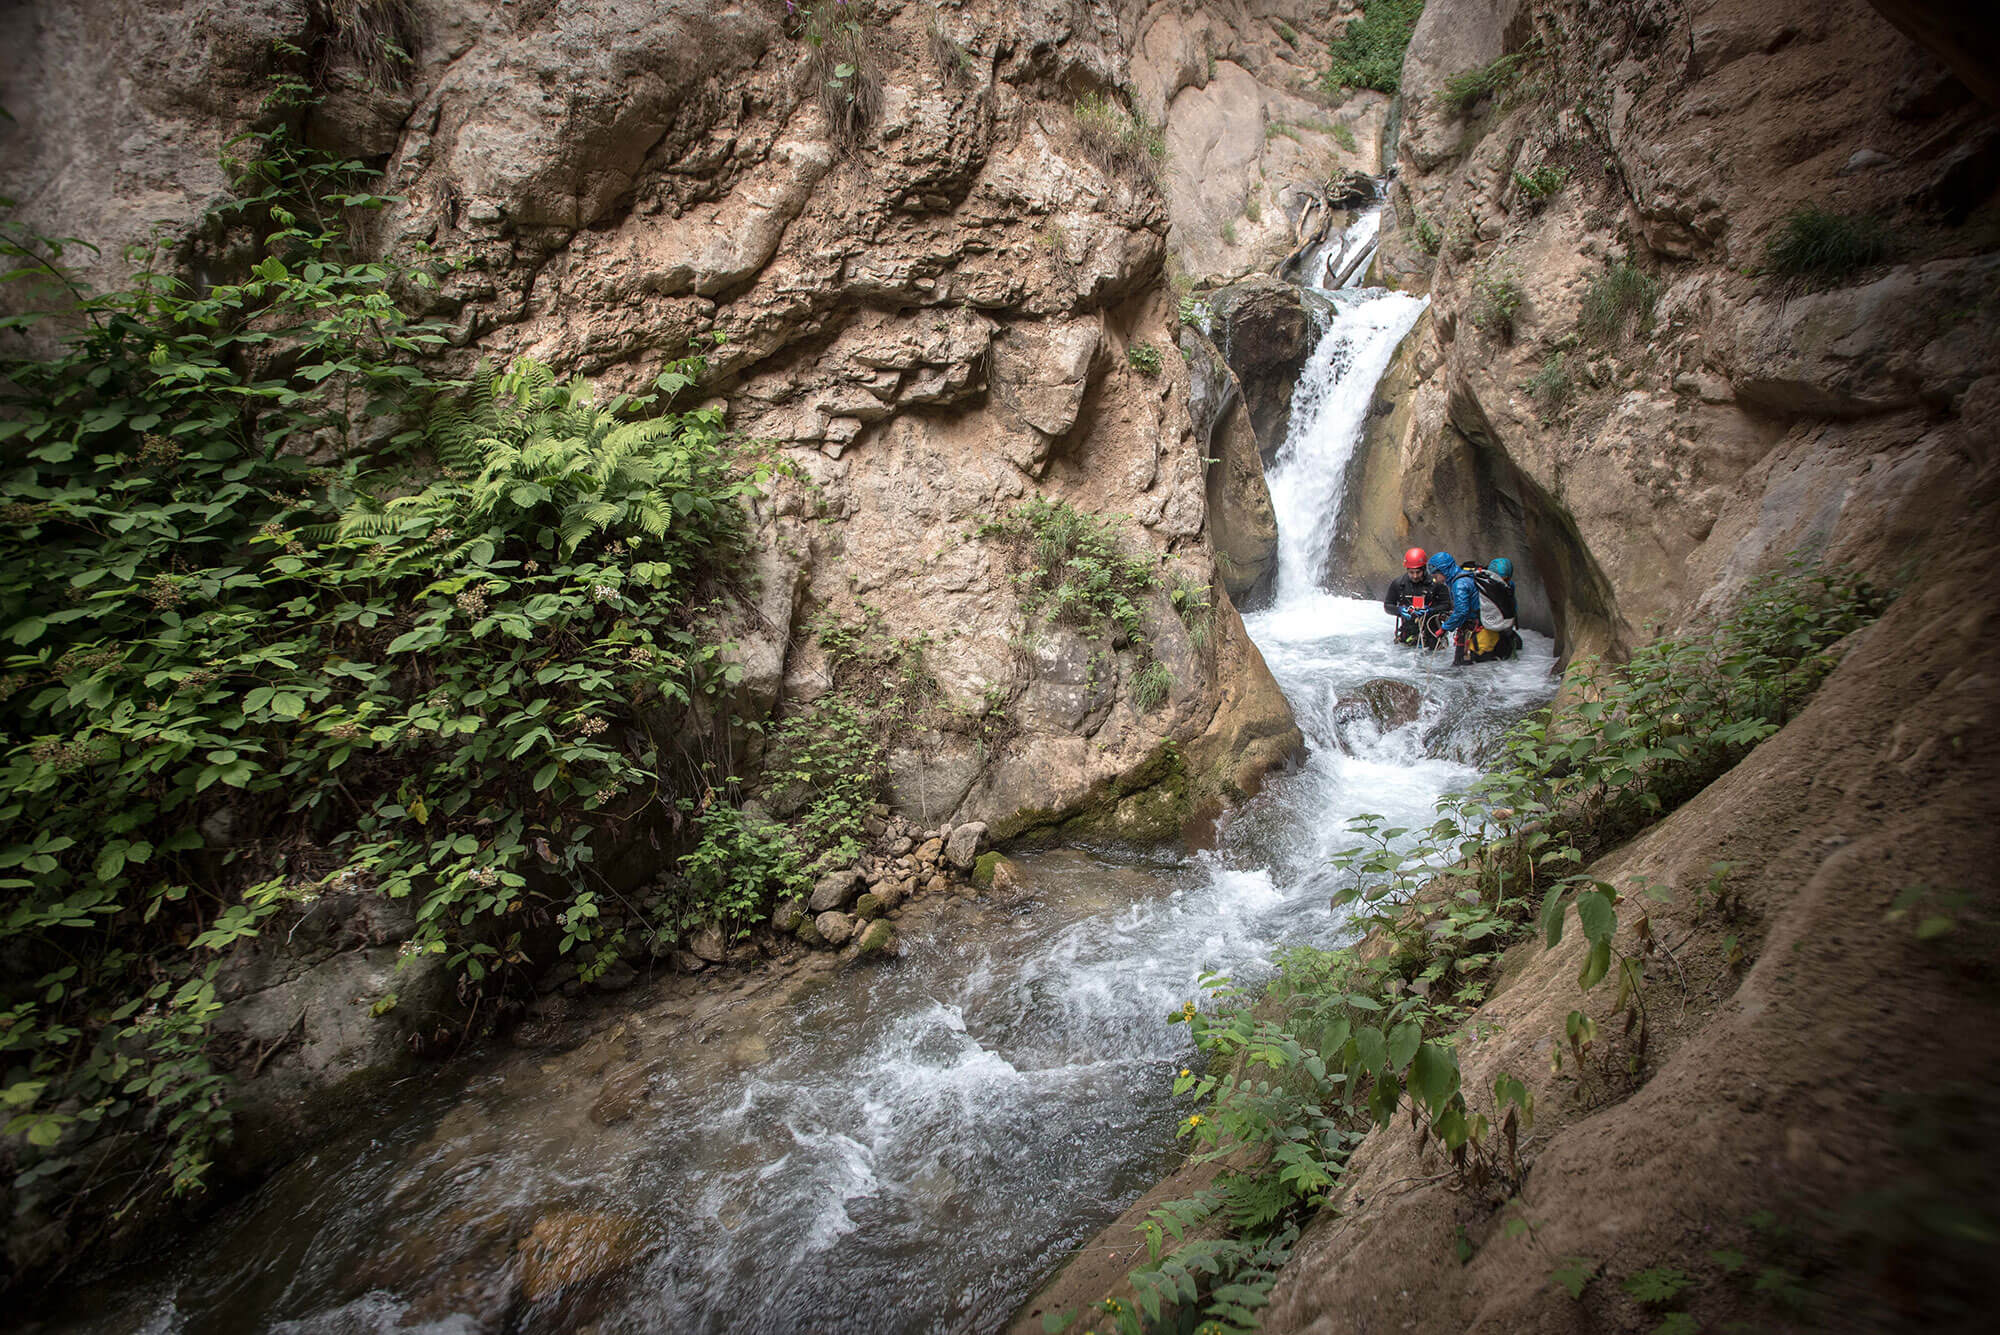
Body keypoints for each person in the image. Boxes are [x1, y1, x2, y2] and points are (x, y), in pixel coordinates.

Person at [1425, 550, 1486, 665]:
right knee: (1463, 665)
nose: (1435, 580)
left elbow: (1462, 611)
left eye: (1436, 576)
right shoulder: (1463, 576)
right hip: (1476, 624)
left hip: (1473, 628)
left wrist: (1444, 628)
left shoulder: (1459, 584)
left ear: (1444, 571)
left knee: (1462, 665)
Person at [1459, 556, 1522, 663]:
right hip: (1482, 627)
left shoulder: (1509, 586)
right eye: (1502, 578)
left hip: (1498, 626)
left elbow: (1511, 605)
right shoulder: (1480, 584)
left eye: (1506, 579)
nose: (1503, 582)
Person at [1383, 547, 1446, 647]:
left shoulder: (1436, 584)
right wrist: (1399, 610)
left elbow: (1447, 605)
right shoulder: (1398, 584)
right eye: (1411, 572)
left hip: (1432, 635)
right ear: (1407, 569)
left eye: (1418, 572)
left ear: (1424, 569)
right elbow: (1387, 606)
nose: (1415, 576)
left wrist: (1430, 610)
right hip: (1407, 634)